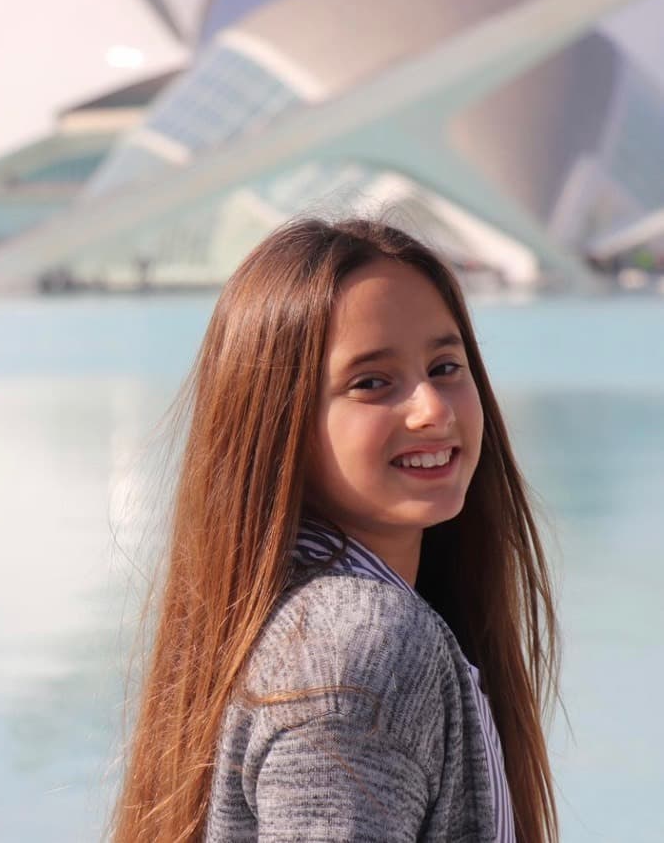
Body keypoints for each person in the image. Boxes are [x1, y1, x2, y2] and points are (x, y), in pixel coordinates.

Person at [111, 218, 560, 842]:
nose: (431, 408)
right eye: (372, 383)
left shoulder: (283, 625)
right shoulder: (360, 649)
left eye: (446, 366)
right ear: (278, 422)